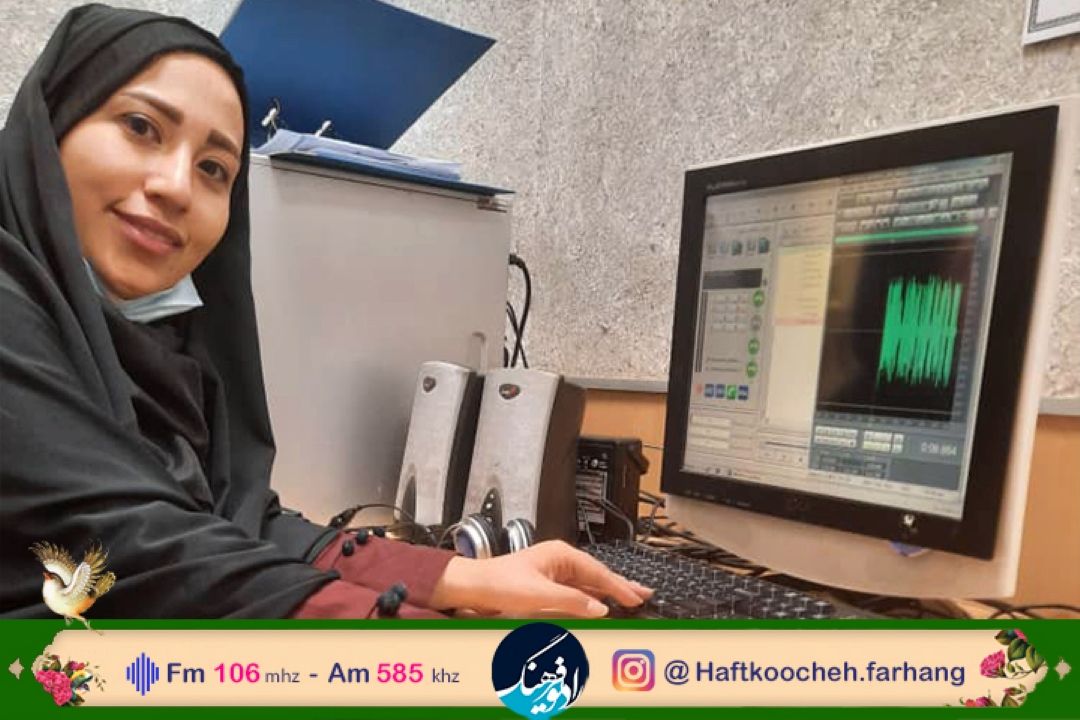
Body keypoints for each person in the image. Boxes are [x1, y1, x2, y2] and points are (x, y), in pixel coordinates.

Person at [0, 4, 650, 620]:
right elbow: (143, 549)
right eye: (142, 128)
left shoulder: (158, 353)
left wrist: (465, 577)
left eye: (214, 168)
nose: (175, 187)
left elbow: (237, 523)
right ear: (53, 125)